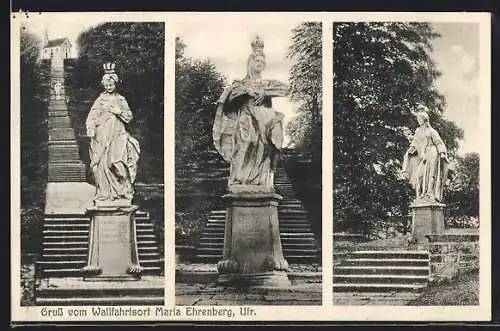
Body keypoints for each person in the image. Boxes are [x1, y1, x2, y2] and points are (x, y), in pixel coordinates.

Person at [212, 36, 289, 193]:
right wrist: (246, 92)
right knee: (247, 144)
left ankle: (263, 182)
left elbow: (285, 89)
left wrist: (264, 92)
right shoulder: (241, 83)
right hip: (246, 120)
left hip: (265, 121)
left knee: (265, 147)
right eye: (257, 61)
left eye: (262, 62)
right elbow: (231, 98)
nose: (259, 64)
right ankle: (239, 181)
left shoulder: (267, 83)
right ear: (250, 63)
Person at [85, 62, 140, 202]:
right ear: (103, 85)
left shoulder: (121, 99)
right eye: (107, 85)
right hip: (102, 137)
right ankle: (105, 193)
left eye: (111, 85)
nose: (109, 87)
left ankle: (124, 191)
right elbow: (91, 117)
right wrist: (90, 128)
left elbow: (129, 117)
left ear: (115, 84)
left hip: (117, 135)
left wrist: (119, 111)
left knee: (117, 162)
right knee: (101, 165)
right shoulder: (100, 100)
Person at [402, 110, 448, 202]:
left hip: (433, 151)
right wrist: (412, 148)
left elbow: (438, 142)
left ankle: (430, 193)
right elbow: (415, 141)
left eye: (419, 119)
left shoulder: (432, 131)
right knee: (419, 175)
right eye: (418, 119)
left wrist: (442, 153)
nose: (418, 120)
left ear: (424, 119)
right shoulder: (418, 131)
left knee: (432, 174)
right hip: (423, 154)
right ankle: (420, 196)